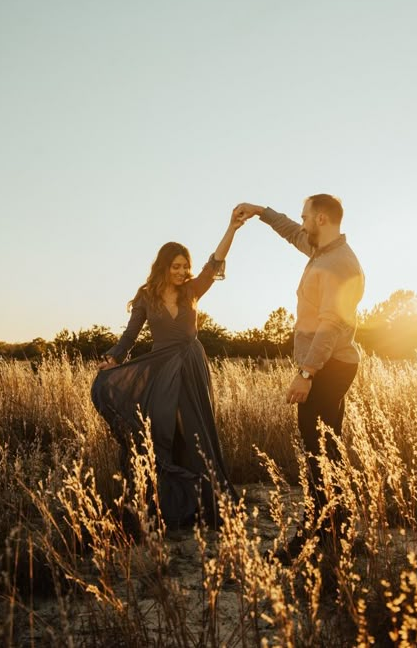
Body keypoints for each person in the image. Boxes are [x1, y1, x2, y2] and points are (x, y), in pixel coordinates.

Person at [91, 210, 244, 529]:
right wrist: (115, 357)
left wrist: (231, 227)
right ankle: (162, 501)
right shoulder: (146, 295)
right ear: (164, 266)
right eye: (176, 266)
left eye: (185, 266)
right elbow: (131, 334)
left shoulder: (192, 290)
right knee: (161, 428)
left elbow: (215, 261)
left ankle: (202, 503)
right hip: (161, 368)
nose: (182, 271)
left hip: (191, 364)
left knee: (193, 429)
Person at [235, 195, 365, 557]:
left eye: (306, 215)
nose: (301, 221)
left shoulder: (339, 264)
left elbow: (330, 325)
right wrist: (261, 212)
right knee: (328, 452)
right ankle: (337, 532)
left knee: (316, 454)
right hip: (329, 364)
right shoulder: (321, 250)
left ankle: (313, 534)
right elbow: (291, 232)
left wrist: (306, 372)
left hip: (328, 366)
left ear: (321, 219)